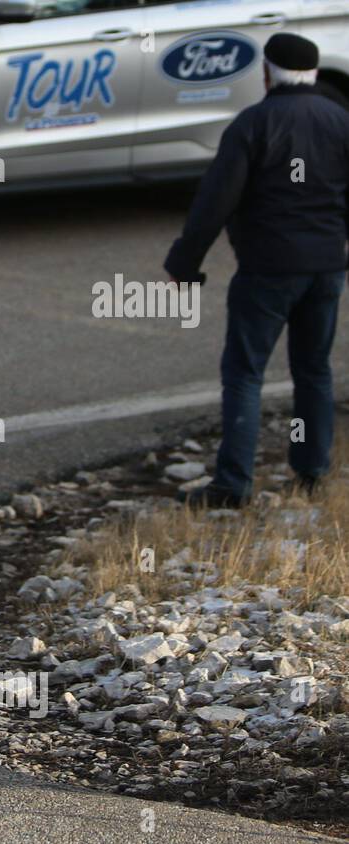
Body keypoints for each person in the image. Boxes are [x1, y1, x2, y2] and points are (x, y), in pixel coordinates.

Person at [165, 33, 349, 508]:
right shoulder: (340, 121)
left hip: (267, 268)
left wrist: (186, 260)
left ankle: (233, 485)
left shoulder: (253, 124)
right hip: (326, 267)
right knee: (313, 369)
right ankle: (311, 471)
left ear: (266, 72)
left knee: (246, 373)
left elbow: (215, 202)